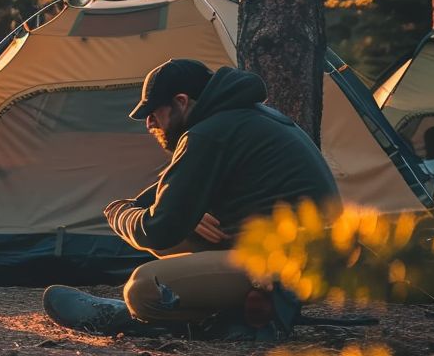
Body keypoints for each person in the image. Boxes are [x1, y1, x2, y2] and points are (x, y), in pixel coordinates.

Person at [42, 58, 339, 340]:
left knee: (143, 288)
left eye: (154, 112)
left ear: (181, 102)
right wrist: (178, 212)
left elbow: (155, 228)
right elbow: (161, 203)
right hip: (309, 259)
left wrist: (121, 215)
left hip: (287, 268)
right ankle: (237, 314)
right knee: (174, 236)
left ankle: (147, 319)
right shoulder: (241, 119)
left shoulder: (207, 134)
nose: (149, 124)